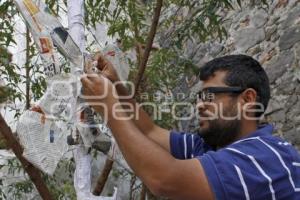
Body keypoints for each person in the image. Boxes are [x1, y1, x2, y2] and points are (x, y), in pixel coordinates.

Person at [81, 54, 300, 199]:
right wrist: (116, 85)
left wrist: (109, 109)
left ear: (247, 99)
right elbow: (149, 131)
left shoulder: (265, 158)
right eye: (199, 97)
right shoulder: (211, 146)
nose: (200, 105)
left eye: (209, 96)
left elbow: (164, 180)